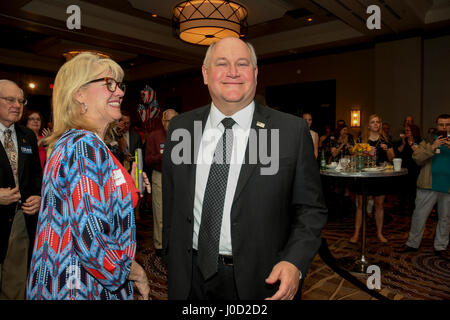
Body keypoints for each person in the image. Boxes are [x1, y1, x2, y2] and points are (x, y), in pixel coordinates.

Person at [162, 37, 328, 300]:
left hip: (262, 280)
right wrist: (170, 257)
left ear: (255, 73)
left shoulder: (290, 131)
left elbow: (310, 209)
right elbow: (171, 201)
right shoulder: (181, 128)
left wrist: (295, 261)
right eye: (222, 64)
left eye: (242, 64)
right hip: (189, 277)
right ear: (206, 74)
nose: (232, 72)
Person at [26, 52, 150, 300]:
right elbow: (91, 237)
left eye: (119, 85)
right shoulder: (84, 145)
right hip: (80, 285)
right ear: (79, 93)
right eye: (109, 84)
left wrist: (129, 187)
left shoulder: (75, 141)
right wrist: (134, 271)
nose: (120, 92)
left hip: (62, 279)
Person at [0, 80, 42, 299]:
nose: (17, 105)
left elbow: (36, 176)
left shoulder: (27, 136)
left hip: (18, 220)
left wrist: (38, 196)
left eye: (20, 100)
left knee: (15, 283)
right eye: (10, 100)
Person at [398, 114, 449, 258]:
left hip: (447, 186)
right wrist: (433, 147)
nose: (444, 127)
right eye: (441, 124)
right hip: (427, 185)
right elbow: (417, 158)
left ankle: (441, 246)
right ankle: (412, 243)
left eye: (448, 125)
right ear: (437, 126)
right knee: (419, 215)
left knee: (445, 218)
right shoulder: (427, 140)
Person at [350, 114, 394, 244]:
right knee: (361, 206)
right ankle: (357, 232)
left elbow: (392, 158)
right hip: (364, 175)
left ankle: (379, 233)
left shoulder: (385, 139)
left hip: (379, 176)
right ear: (368, 125)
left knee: (379, 205)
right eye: (373, 122)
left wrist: (387, 150)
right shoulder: (361, 139)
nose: (376, 124)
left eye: (378, 122)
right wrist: (363, 151)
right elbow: (353, 154)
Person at [145, 108, 178, 257]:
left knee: (176, 210)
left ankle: (173, 242)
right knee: (160, 211)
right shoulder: (154, 136)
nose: (171, 124)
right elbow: (148, 159)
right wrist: (162, 156)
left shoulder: (182, 135)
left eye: (174, 120)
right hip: (160, 175)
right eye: (168, 120)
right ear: (162, 121)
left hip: (177, 177)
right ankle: (159, 245)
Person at [394, 124, 422, 215]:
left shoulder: (419, 141)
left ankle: (412, 210)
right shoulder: (403, 141)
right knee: (402, 191)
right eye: (405, 131)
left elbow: (420, 154)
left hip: (415, 169)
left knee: (413, 192)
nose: (405, 132)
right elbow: (397, 153)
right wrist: (403, 143)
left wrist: (412, 144)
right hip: (404, 169)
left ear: (413, 132)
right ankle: (401, 209)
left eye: (408, 131)